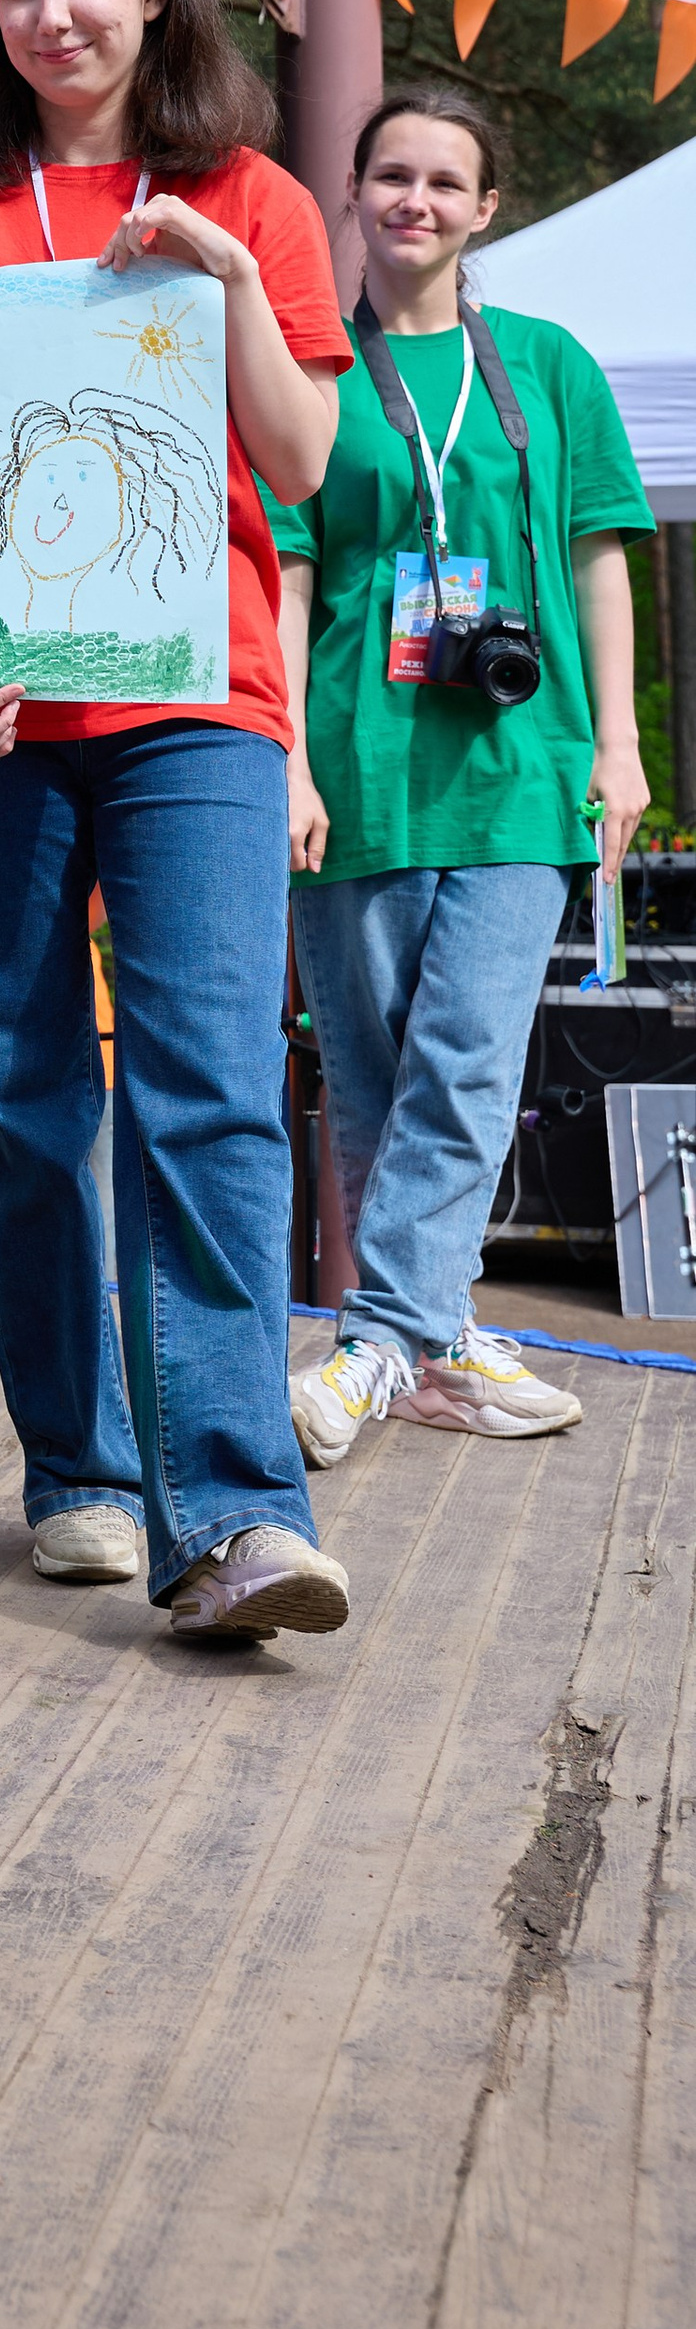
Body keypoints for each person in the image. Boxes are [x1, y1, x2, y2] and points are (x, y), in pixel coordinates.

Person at [0, 0, 357, 1643]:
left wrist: (214, 273)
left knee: (211, 1083)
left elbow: (303, 465)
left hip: (199, 707)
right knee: (22, 1096)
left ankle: (233, 1509)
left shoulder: (255, 198)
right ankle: (78, 1461)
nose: (50, 12)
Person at [276, 85, 651, 1461]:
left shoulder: (547, 365)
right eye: (392, 176)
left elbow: (603, 549)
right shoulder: (314, 369)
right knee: (373, 1082)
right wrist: (290, 757)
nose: (415, 201)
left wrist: (619, 742)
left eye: (446, 182)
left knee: (468, 1063)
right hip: (360, 768)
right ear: (358, 196)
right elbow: (292, 569)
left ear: (485, 209)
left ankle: (371, 1348)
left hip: (521, 764)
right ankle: (440, 1340)